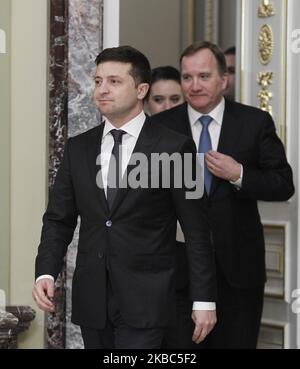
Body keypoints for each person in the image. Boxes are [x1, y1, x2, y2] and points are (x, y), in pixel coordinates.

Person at [32, 45, 217, 349]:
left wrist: (204, 299)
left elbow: (197, 230)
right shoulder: (78, 148)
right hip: (93, 299)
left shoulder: (175, 148)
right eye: (97, 81)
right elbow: (58, 219)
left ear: (142, 89)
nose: (102, 90)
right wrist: (45, 271)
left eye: (114, 81)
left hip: (148, 299)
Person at [152, 40, 294, 349]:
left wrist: (239, 174)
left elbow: (283, 184)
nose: (194, 85)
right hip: (179, 273)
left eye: (204, 76)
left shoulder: (254, 122)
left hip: (238, 271)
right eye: (187, 77)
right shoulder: (161, 127)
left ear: (223, 80)